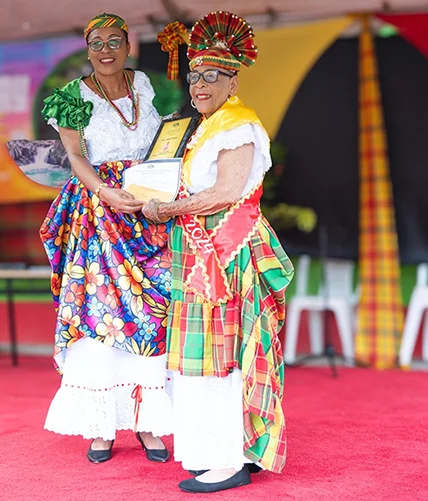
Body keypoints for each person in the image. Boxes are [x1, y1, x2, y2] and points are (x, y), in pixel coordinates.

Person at [144, 12, 293, 493]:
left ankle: (228, 460)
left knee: (220, 354)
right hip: (200, 251)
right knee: (205, 352)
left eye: (212, 75)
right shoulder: (209, 125)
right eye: (194, 76)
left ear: (233, 79)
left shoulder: (237, 125)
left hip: (224, 251)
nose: (199, 85)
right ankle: (219, 451)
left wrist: (167, 210)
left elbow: (227, 192)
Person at [39, 12, 172, 464]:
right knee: (99, 316)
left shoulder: (148, 86)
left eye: (115, 40)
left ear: (129, 44)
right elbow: (74, 156)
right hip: (100, 210)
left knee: (154, 315)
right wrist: (104, 191)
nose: (106, 49)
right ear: (87, 47)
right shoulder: (71, 97)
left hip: (148, 207)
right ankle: (100, 427)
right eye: (97, 42)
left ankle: (149, 424)